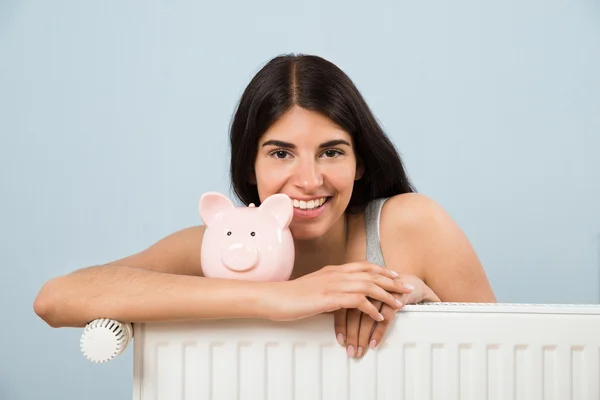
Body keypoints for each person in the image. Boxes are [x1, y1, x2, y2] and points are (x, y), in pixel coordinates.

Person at [33, 53, 496, 359]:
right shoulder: (215, 246)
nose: (310, 179)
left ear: (359, 162)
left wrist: (424, 302)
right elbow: (56, 299)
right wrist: (283, 297)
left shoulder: (412, 225)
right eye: (280, 153)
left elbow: (506, 356)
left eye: (332, 152)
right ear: (250, 166)